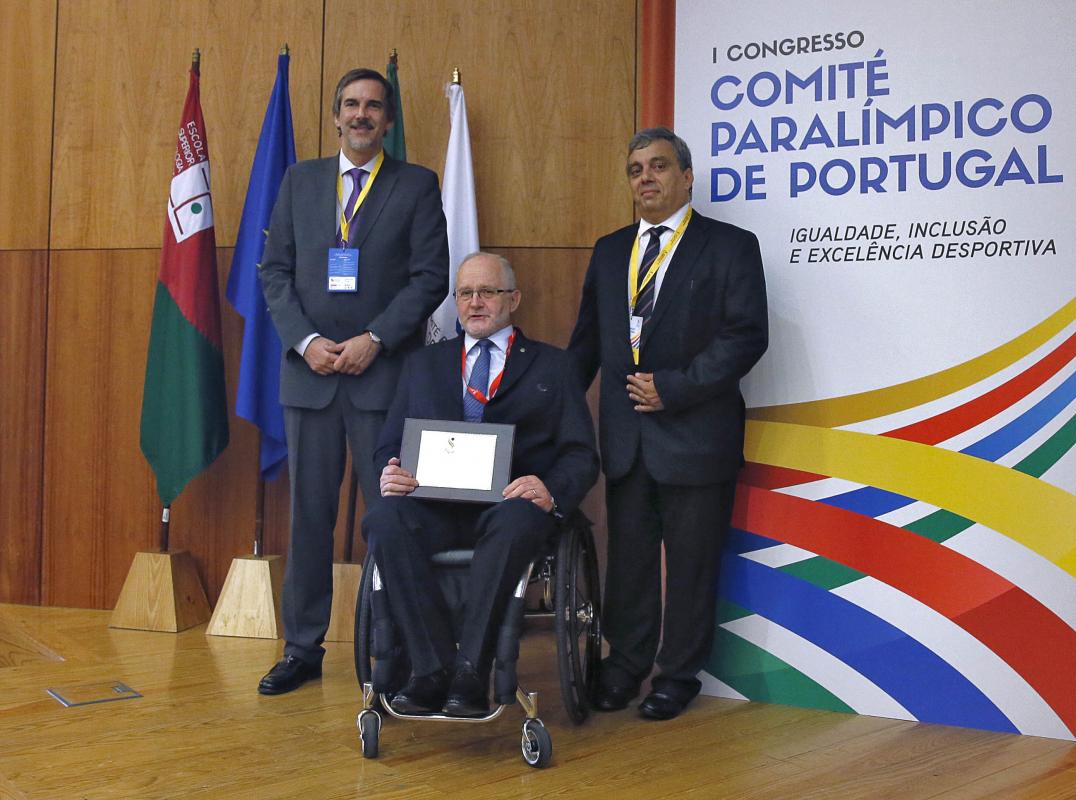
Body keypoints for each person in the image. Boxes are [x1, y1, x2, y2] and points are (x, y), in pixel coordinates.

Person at [256, 67, 449, 695]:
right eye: (350, 105)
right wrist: (308, 342)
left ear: (388, 121)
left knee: (391, 518)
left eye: (373, 106)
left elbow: (430, 278)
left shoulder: (416, 185)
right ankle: (302, 649)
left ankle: (395, 649)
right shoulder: (300, 180)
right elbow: (275, 271)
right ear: (336, 116)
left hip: (382, 376)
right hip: (309, 378)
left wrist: (376, 339)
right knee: (308, 519)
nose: (361, 115)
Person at [568, 127, 768, 720]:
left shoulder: (730, 246)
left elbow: (745, 335)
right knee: (628, 565)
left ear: (686, 176)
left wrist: (675, 388)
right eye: (635, 169)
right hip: (627, 440)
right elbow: (585, 344)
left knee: (691, 564)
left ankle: (678, 675)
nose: (645, 178)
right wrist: (545, 409)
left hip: (697, 435)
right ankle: (624, 666)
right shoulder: (610, 251)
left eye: (658, 166)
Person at [363, 252, 599, 716]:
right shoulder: (422, 365)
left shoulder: (554, 367)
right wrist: (389, 469)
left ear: (513, 298)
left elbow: (581, 454)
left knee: (515, 523)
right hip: (431, 506)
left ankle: (471, 671)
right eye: (465, 293)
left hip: (510, 508)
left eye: (487, 292)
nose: (475, 303)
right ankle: (431, 670)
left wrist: (549, 490)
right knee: (385, 520)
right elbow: (387, 443)